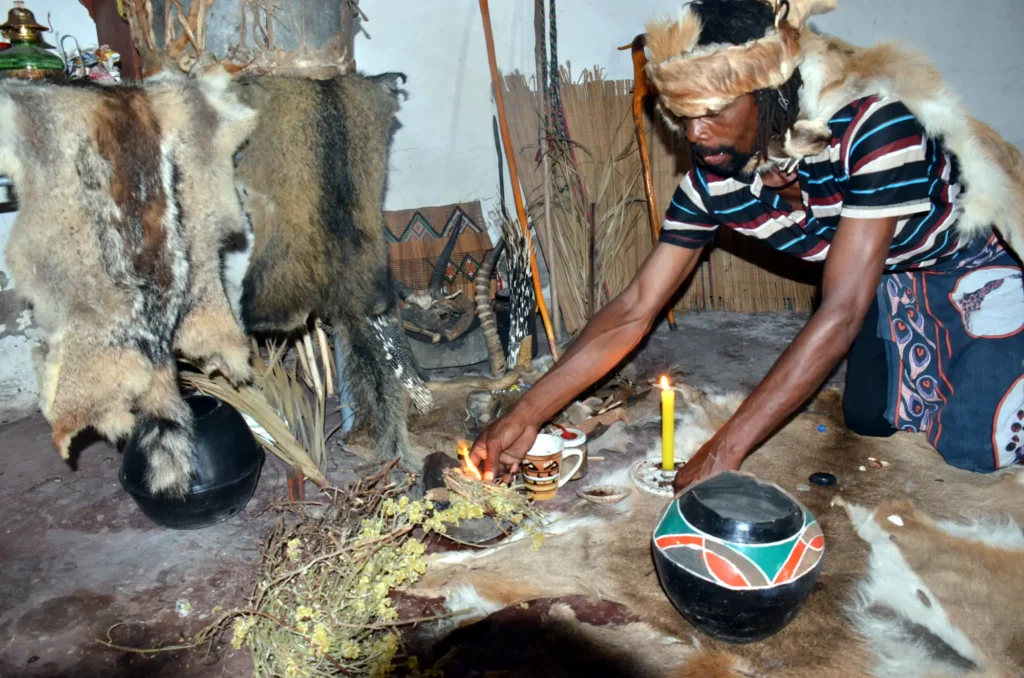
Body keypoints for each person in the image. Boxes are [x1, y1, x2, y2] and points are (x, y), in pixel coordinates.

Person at [470, 0, 1024, 492]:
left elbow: (841, 311)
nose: (694, 134)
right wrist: (527, 412)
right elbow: (634, 309)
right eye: (685, 115)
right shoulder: (714, 183)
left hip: (970, 262)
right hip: (887, 279)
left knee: (975, 453)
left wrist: (724, 449)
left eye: (713, 111)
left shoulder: (873, 131)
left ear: (771, 95)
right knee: (871, 424)